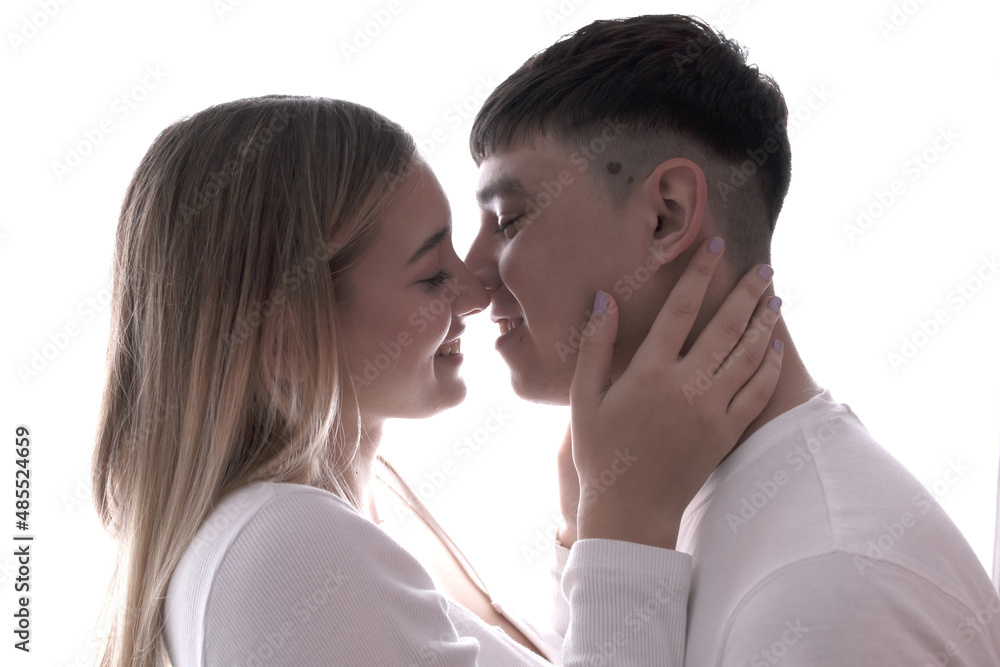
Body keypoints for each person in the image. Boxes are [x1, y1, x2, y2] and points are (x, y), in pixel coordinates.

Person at [89, 95, 784, 666]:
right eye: (429, 275)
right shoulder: (289, 547)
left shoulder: (335, 529)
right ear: (289, 340)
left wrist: (585, 528)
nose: (477, 293)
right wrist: (626, 526)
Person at [463, 13, 1000, 665]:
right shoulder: (665, 507)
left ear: (667, 216)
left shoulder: (827, 584)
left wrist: (614, 544)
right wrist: (594, 534)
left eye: (508, 220)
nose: (470, 276)